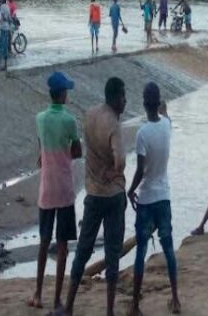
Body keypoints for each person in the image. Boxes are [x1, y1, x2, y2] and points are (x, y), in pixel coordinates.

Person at [61, 77, 127, 316]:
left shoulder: (89, 115)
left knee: (83, 249)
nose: (125, 101)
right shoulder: (114, 125)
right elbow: (120, 159)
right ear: (114, 98)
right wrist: (114, 171)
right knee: (112, 252)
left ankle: (68, 306)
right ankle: (109, 311)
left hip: (93, 192)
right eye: (123, 97)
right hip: (113, 195)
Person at [28, 72, 82, 311]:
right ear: (61, 94)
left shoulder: (40, 118)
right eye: (66, 91)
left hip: (47, 189)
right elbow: (78, 151)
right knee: (62, 246)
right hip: (65, 189)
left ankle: (38, 293)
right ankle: (58, 298)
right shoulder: (70, 121)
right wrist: (67, 150)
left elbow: (40, 151)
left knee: (43, 241)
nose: (67, 94)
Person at [127, 83, 181, 315]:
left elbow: (140, 170)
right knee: (168, 249)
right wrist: (164, 107)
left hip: (147, 196)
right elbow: (167, 116)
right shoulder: (167, 125)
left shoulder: (142, 134)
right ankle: (176, 299)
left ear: (144, 103)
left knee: (140, 251)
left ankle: (135, 305)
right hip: (164, 195)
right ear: (158, 103)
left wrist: (130, 191)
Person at [0, 0, 11, 71]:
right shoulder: (8, 7)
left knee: (0, 47)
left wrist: (0, 23)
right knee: (5, 47)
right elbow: (9, 18)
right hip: (7, 28)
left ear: (2, 0)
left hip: (3, 28)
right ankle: (5, 65)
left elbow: (2, 17)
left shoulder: (2, 7)